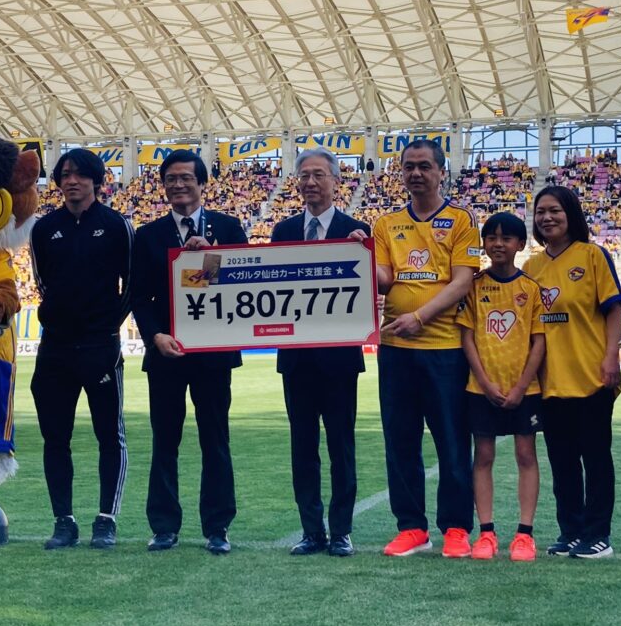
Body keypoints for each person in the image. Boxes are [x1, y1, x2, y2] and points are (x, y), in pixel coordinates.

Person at [133, 149, 247, 555]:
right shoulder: (147, 235)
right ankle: (164, 526)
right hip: (166, 353)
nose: (178, 185)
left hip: (213, 353)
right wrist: (155, 336)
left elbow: (243, 282)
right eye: (171, 179)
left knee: (215, 440)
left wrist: (210, 257)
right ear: (163, 186)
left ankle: (218, 527)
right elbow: (138, 296)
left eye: (186, 178)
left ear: (202, 184)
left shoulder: (228, 228)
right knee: (165, 441)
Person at [373, 139, 479, 558]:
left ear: (440, 172)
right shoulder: (386, 224)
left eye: (424, 166)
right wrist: (356, 255)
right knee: (400, 441)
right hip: (395, 348)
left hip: (445, 348)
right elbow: (383, 278)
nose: (415, 173)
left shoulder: (461, 220)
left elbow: (462, 281)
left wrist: (420, 317)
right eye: (408, 167)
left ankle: (456, 527)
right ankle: (412, 527)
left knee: (452, 441)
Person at [30, 148, 134, 550]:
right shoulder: (44, 229)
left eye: (80, 174)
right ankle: (64, 521)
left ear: (96, 180)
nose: (72, 181)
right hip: (55, 348)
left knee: (110, 435)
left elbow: (131, 283)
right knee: (55, 438)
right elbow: (43, 283)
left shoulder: (116, 225)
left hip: (99, 346)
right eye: (65, 174)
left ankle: (106, 520)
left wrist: (107, 325)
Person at [271, 148, 369, 557]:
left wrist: (364, 252)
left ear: (335, 181)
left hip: (339, 360)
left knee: (341, 448)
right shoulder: (282, 231)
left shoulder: (357, 231)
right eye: (304, 176)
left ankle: (341, 531)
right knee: (303, 448)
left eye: (318, 175)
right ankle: (312, 531)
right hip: (296, 359)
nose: (310, 182)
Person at [522, 185, 621, 560]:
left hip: (592, 376)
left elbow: (614, 309)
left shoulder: (593, 255)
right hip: (549, 382)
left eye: (555, 210)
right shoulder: (531, 268)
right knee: (562, 463)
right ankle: (571, 530)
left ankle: (598, 535)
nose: (547, 218)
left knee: (595, 459)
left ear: (571, 214)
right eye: (541, 212)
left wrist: (611, 356)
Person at [457, 212, 545, 562]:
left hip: (526, 390)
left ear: (520, 244)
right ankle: (487, 533)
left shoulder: (531, 289)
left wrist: (522, 386)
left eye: (506, 238)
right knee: (483, 456)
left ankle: (524, 534)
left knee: (526, 455)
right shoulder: (474, 286)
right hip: (481, 390)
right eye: (491, 237)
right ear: (483, 244)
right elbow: (467, 337)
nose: (498, 244)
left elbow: (539, 342)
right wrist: (483, 380)